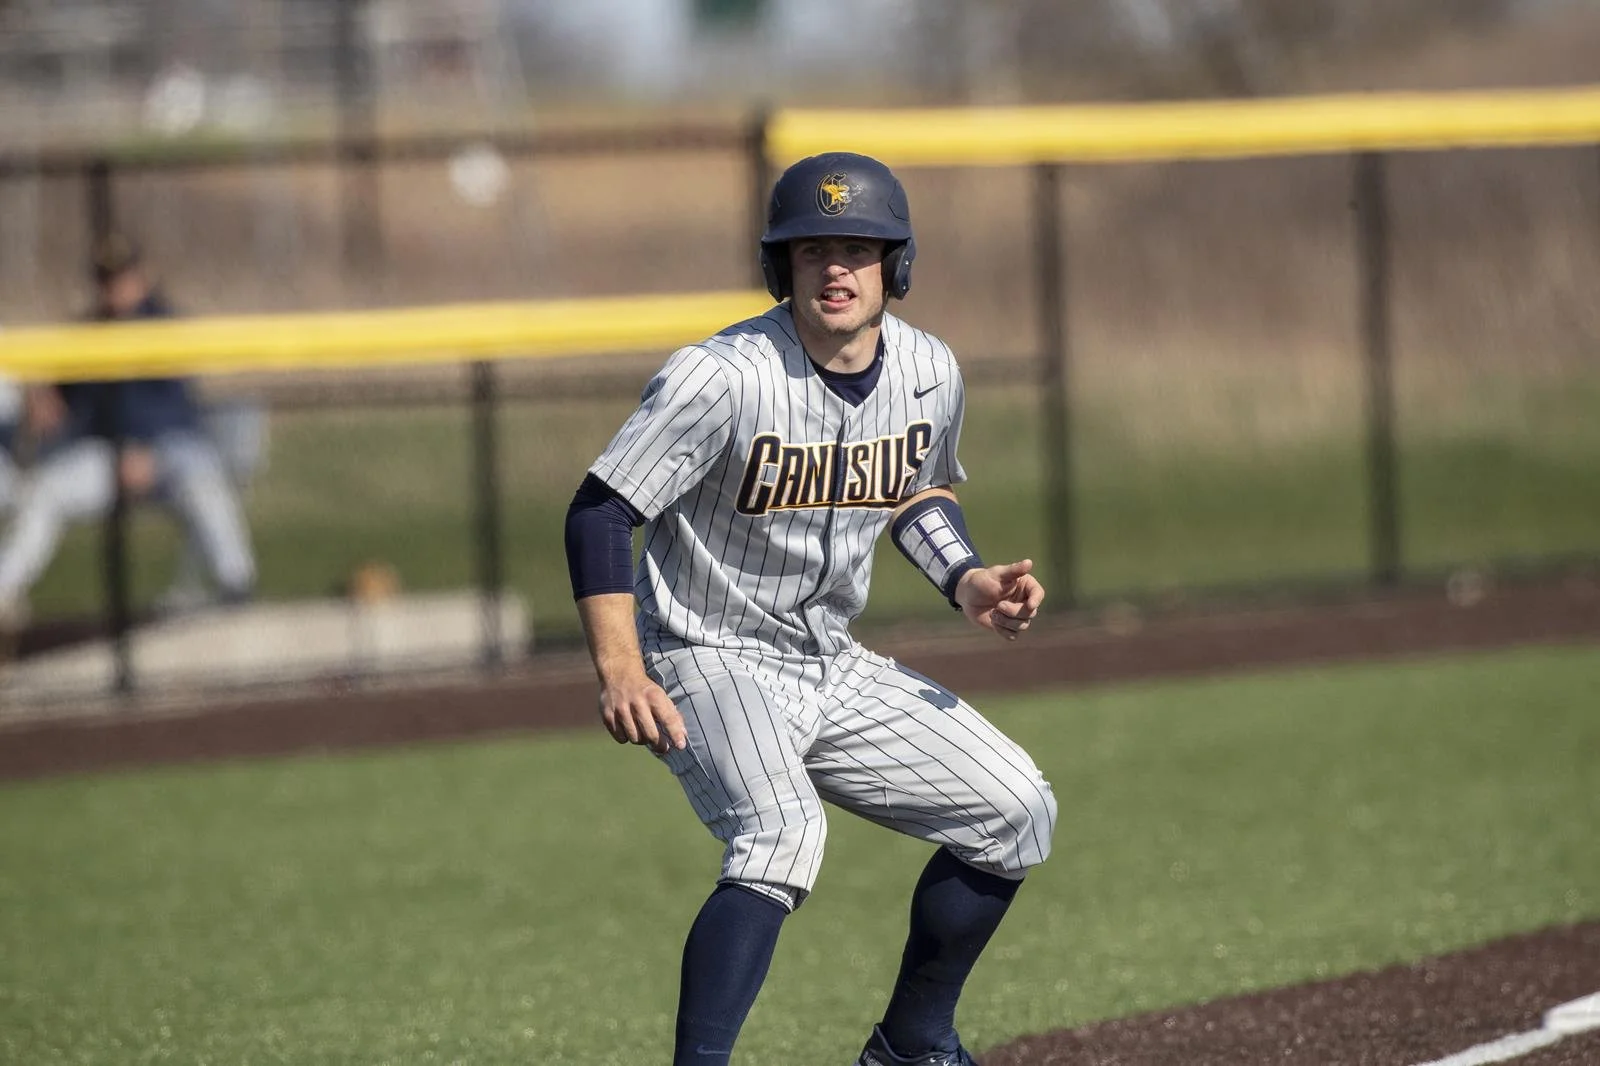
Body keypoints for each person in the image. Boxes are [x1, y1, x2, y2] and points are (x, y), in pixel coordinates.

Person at [563, 152, 1057, 1066]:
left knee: (1016, 810)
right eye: (812, 250)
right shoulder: (720, 377)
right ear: (779, 266)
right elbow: (601, 511)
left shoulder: (929, 369)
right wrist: (621, 668)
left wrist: (967, 580)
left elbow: (916, 490)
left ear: (895, 265)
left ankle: (911, 1046)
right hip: (704, 652)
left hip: (831, 659)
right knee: (780, 835)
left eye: (858, 249)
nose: (836, 269)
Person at [0, 235, 257, 633]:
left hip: (167, 451)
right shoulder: (87, 332)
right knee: (46, 490)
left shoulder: (164, 326)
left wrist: (142, 450)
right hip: (107, 455)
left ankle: (236, 583)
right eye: (106, 279)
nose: (114, 288)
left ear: (141, 277)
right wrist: (50, 408)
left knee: (202, 479)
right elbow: (71, 407)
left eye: (121, 277)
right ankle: (4, 588)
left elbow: (176, 405)